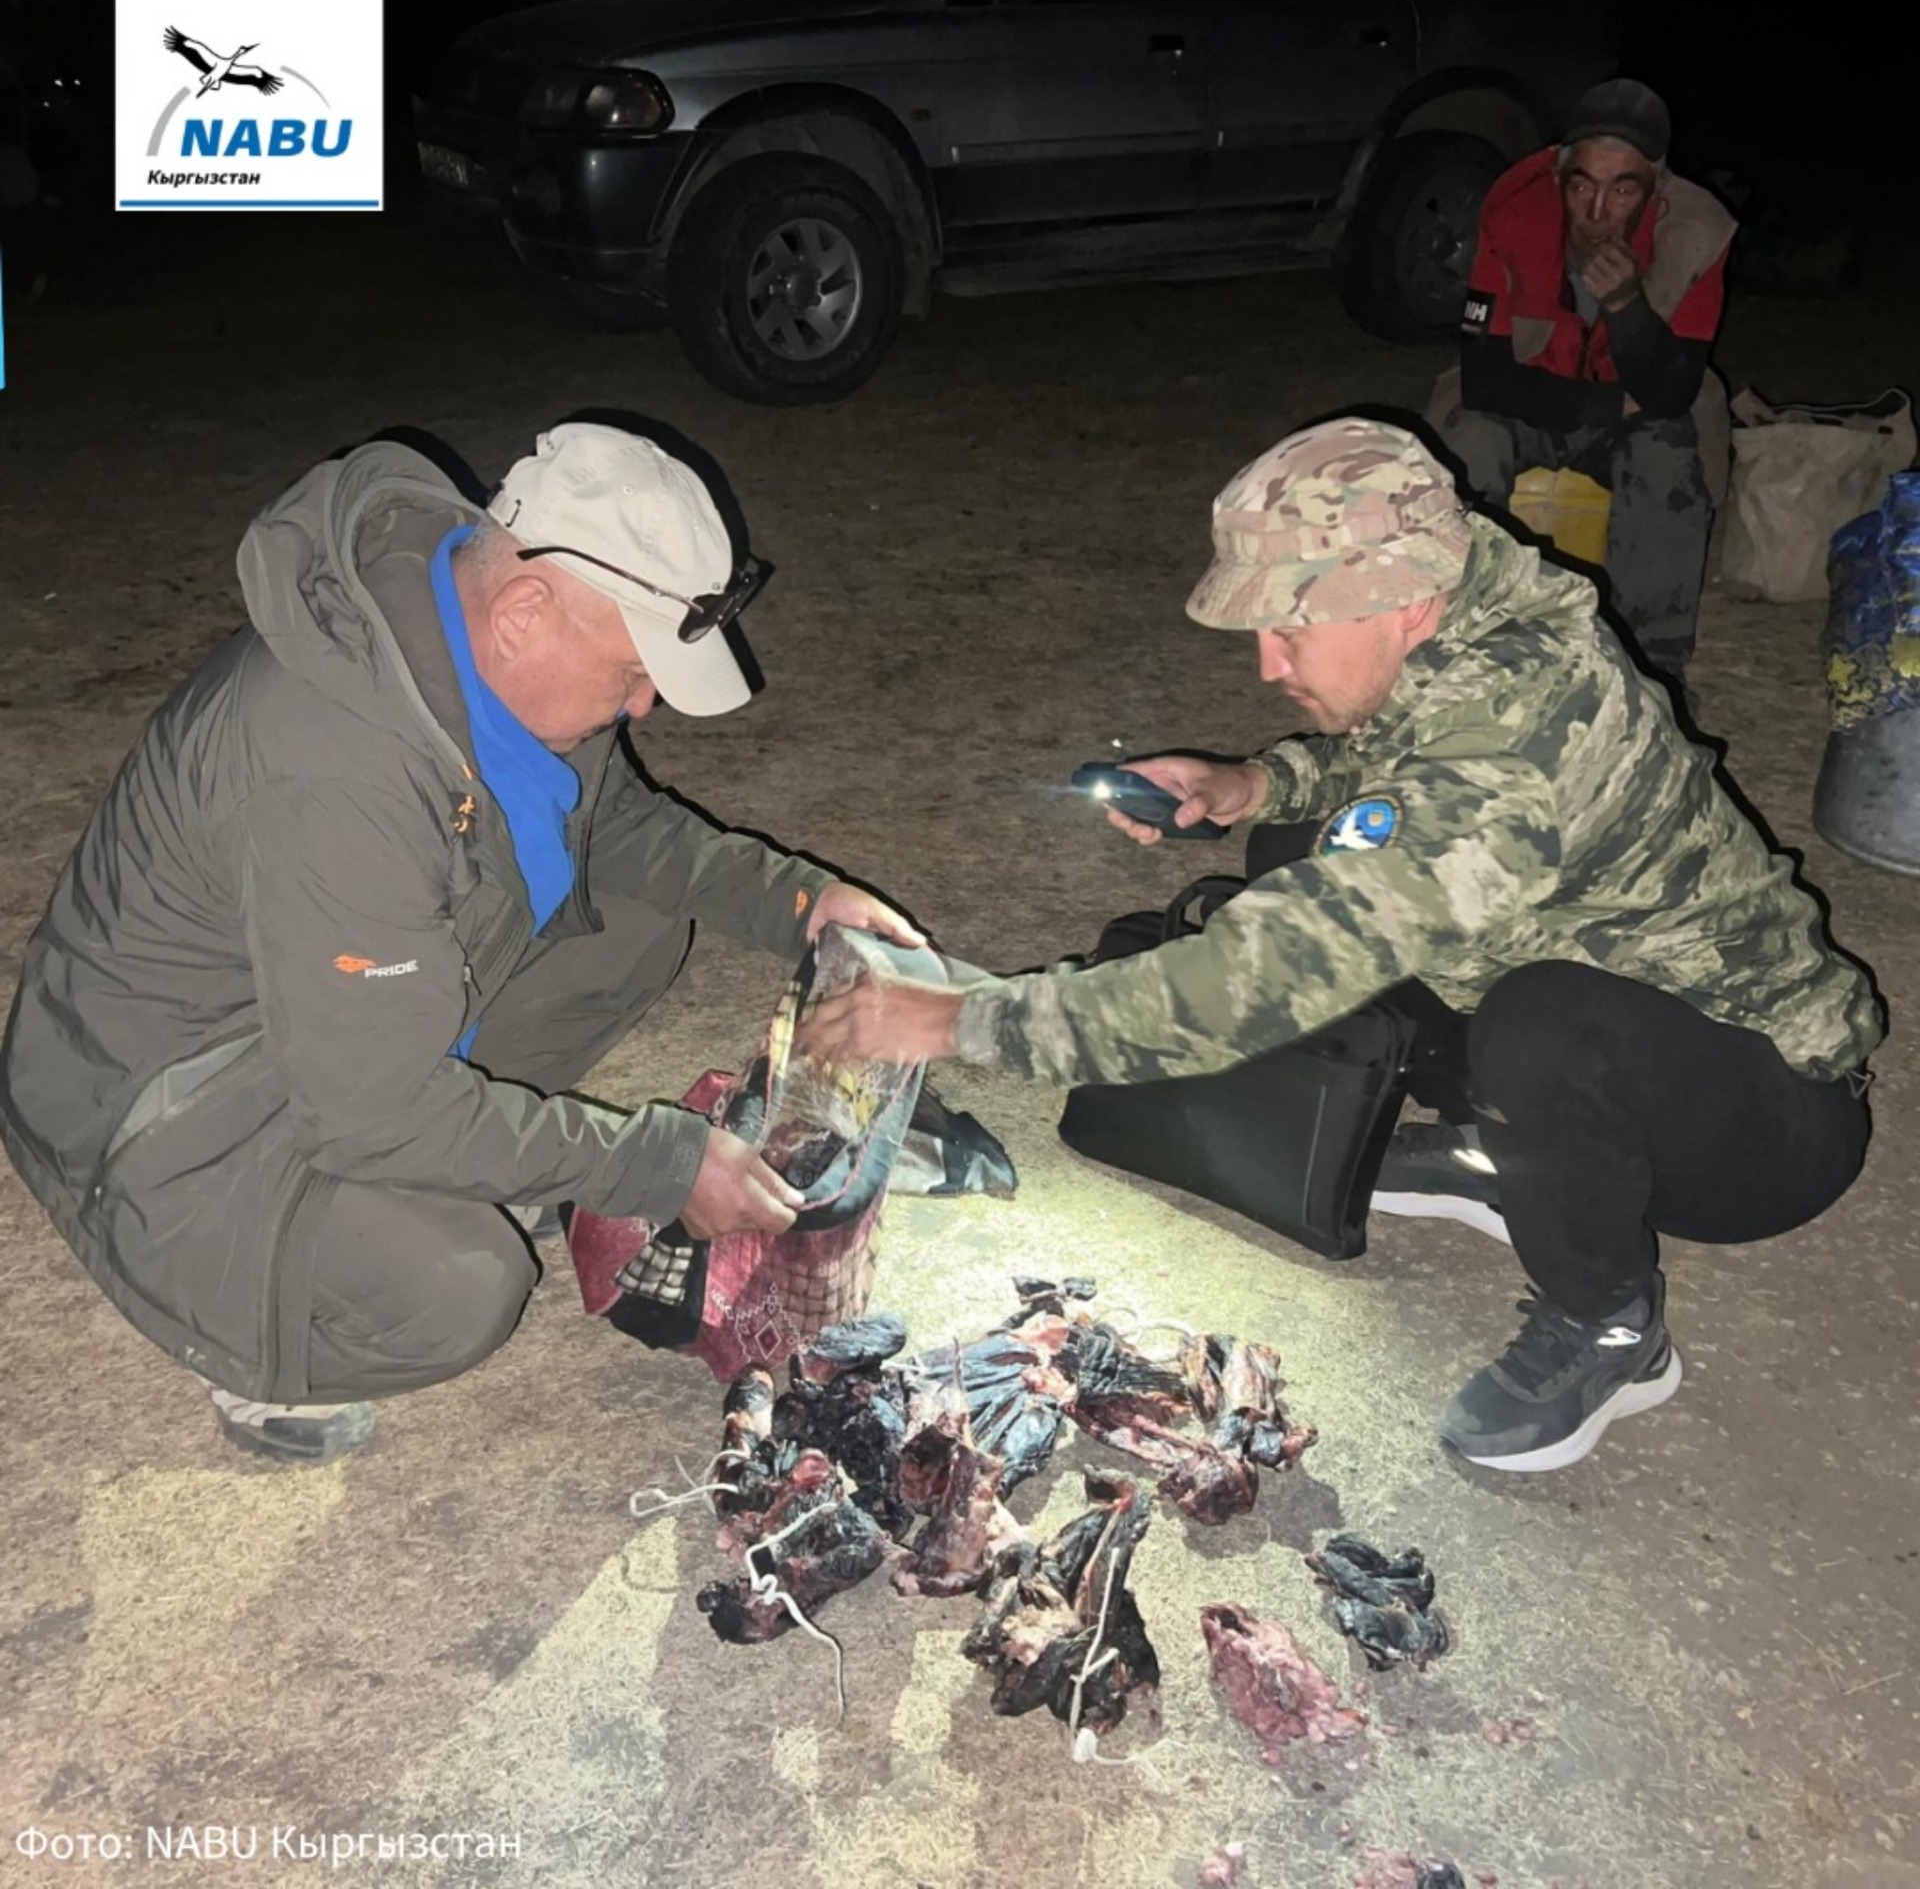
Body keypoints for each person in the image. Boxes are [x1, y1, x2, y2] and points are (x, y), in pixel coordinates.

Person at [801, 417, 1883, 1475]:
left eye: (1291, 628)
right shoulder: (1462, 612)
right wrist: (1256, 783)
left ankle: (1610, 1319)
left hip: (1762, 1121)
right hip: (1611, 1003)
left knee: (1539, 1025)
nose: (1268, 663)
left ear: (1401, 597)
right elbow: (1400, 757)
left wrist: (962, 1021)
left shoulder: (1523, 728)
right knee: (1301, 848)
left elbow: (1249, 985)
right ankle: (1507, 1152)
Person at [0, 422, 922, 1463]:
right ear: (525, 613)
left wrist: (803, 902)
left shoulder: (476, 639)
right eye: (632, 671)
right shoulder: (331, 773)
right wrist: (658, 1165)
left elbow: (615, 825)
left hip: (325, 1022)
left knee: (634, 924)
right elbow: (370, 1105)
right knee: (459, 1291)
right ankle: (249, 1340)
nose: (644, 703)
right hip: (154, 1105)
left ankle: (441, 1158)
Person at [1434, 78, 1735, 681]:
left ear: (1655, 190)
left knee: (1667, 450)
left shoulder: (1697, 232)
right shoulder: (1510, 213)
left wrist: (1626, 306)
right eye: (1582, 187)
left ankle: (1651, 670)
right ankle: (1458, 640)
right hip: (1539, 404)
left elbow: (1669, 392)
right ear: (1559, 177)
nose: (1598, 214)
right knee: (1466, 442)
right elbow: (1485, 379)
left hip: (1631, 414)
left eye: (1622, 190)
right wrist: (1606, 405)